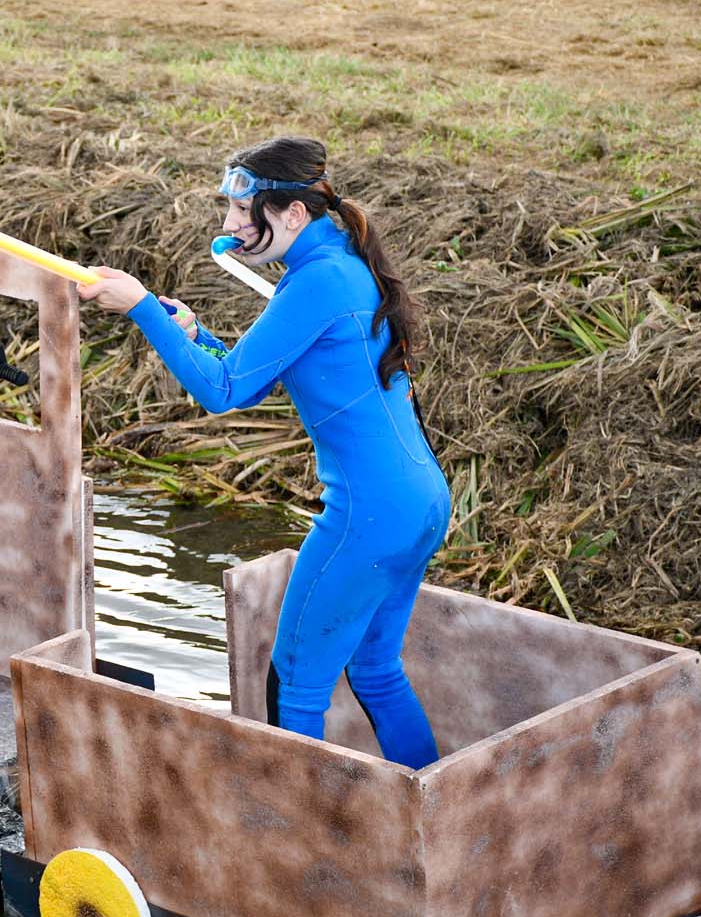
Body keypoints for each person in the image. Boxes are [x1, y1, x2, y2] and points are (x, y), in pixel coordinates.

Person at [78, 136, 449, 770]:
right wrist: (192, 331)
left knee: (296, 685)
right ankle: (431, 812)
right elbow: (256, 370)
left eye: (240, 211)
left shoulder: (316, 282)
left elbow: (223, 392)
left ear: (292, 215)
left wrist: (143, 308)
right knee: (376, 670)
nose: (228, 226)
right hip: (423, 503)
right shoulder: (340, 265)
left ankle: (305, 844)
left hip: (367, 515)